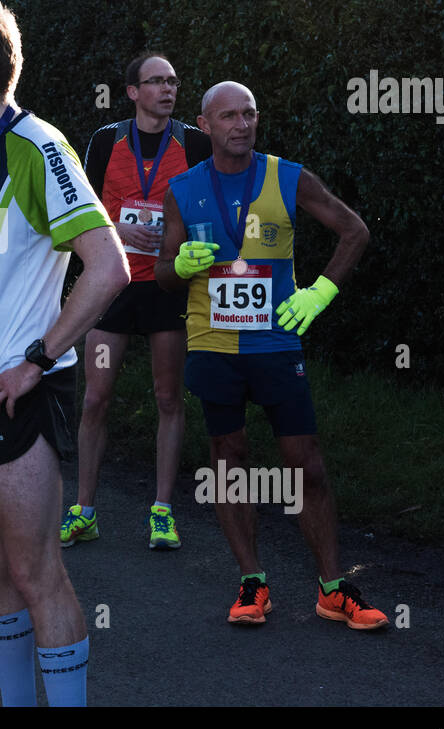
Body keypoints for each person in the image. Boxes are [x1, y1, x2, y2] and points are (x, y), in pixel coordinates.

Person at [0, 0, 129, 706]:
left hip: (24, 390)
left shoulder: (39, 147)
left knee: (36, 569)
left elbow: (108, 268)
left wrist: (38, 359)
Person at [156, 81, 388, 630]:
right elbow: (162, 273)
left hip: (277, 342)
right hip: (213, 344)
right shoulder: (182, 189)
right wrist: (182, 266)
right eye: (229, 116)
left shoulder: (288, 176)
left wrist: (321, 292)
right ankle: (251, 583)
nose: (242, 124)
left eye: (250, 114)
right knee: (228, 458)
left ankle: (333, 589)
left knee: (305, 462)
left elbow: (354, 231)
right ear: (205, 124)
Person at [62, 53, 212, 551]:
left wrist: (180, 238)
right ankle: (84, 510)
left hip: (167, 285)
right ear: (132, 91)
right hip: (112, 286)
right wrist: (115, 227)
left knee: (169, 398)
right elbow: (80, 207)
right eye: (156, 82)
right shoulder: (106, 140)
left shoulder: (194, 142)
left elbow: (208, 206)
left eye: (173, 81)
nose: (167, 90)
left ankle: (163, 512)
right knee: (95, 398)